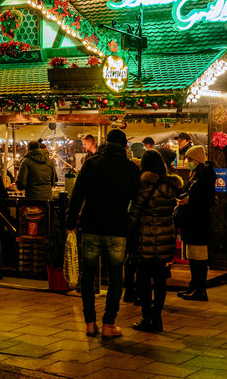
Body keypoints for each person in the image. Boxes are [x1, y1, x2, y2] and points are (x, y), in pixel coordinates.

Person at [66, 129, 139, 339]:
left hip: (91, 227)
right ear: (125, 146)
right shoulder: (130, 169)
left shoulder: (91, 164)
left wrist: (71, 221)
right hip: (117, 229)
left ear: (106, 143)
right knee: (116, 276)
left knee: (88, 276)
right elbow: (137, 200)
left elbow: (77, 195)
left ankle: (90, 323)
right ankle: (109, 324)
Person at [128, 150, 183, 332]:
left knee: (143, 280)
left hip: (145, 239)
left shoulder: (143, 185)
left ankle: (146, 317)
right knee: (160, 281)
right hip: (165, 239)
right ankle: (157, 318)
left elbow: (135, 214)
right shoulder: (170, 186)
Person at [175, 145, 216, 302]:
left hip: (199, 222)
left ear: (197, 159)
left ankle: (200, 289)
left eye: (190, 159)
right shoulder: (196, 175)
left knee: (198, 257)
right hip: (192, 221)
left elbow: (208, 199)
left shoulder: (205, 175)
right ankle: (194, 285)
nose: (187, 162)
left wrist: (189, 200)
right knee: (193, 255)